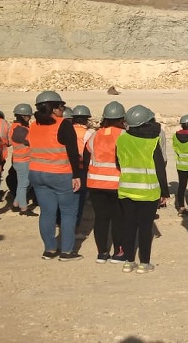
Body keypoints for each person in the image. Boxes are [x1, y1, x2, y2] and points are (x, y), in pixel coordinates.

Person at [28, 91, 83, 260]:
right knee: (68, 212)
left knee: (47, 212)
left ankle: (49, 249)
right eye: (61, 107)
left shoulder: (33, 125)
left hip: (37, 173)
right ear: (54, 108)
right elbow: (73, 152)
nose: (62, 110)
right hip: (60, 174)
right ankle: (66, 251)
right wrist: (77, 175)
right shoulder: (63, 125)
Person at [116, 105, 170, 274]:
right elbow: (160, 168)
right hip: (149, 191)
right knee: (145, 228)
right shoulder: (153, 141)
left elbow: (118, 163)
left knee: (128, 226)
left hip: (126, 190)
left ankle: (129, 262)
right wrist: (165, 192)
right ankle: (144, 263)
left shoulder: (122, 139)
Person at [86, 101, 126, 263]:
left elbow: (89, 150)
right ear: (121, 118)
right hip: (115, 183)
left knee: (101, 218)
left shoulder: (95, 135)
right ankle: (118, 252)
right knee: (118, 219)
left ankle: (102, 253)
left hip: (95, 183)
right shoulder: (123, 135)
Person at [9, 103, 38, 216]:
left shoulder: (20, 127)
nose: (29, 118)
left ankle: (16, 204)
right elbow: (30, 141)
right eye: (27, 116)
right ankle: (23, 208)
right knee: (24, 184)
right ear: (21, 116)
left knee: (26, 183)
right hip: (22, 160)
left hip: (23, 159)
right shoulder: (19, 130)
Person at [71, 105, 95, 235]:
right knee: (79, 200)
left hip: (67, 168)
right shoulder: (90, 133)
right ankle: (76, 228)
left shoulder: (66, 130)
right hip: (82, 169)